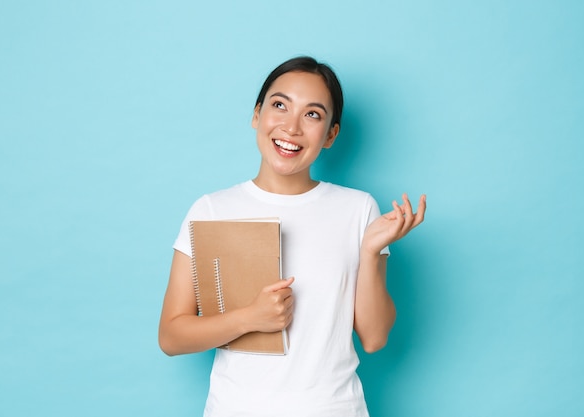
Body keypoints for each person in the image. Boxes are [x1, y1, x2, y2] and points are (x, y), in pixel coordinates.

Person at [158, 56, 426, 417]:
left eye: (312, 114)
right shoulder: (210, 209)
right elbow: (171, 336)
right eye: (280, 105)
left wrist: (370, 251)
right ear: (257, 115)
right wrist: (249, 318)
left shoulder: (358, 209)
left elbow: (375, 338)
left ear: (331, 134)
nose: (291, 126)